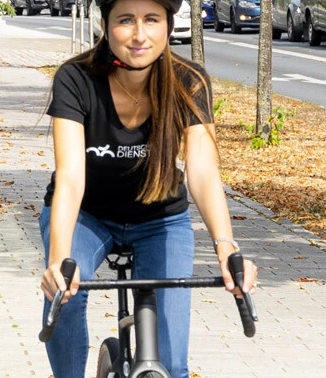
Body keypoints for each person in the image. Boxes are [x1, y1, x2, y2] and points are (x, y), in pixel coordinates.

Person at [39, 0, 258, 376]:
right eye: (126, 20)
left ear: (168, 27)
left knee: (172, 365)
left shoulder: (189, 81)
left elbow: (203, 172)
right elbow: (71, 178)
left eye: (151, 20)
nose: (140, 34)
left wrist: (226, 246)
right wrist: (59, 259)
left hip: (160, 220)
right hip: (87, 216)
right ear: (105, 26)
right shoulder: (75, 79)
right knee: (66, 293)